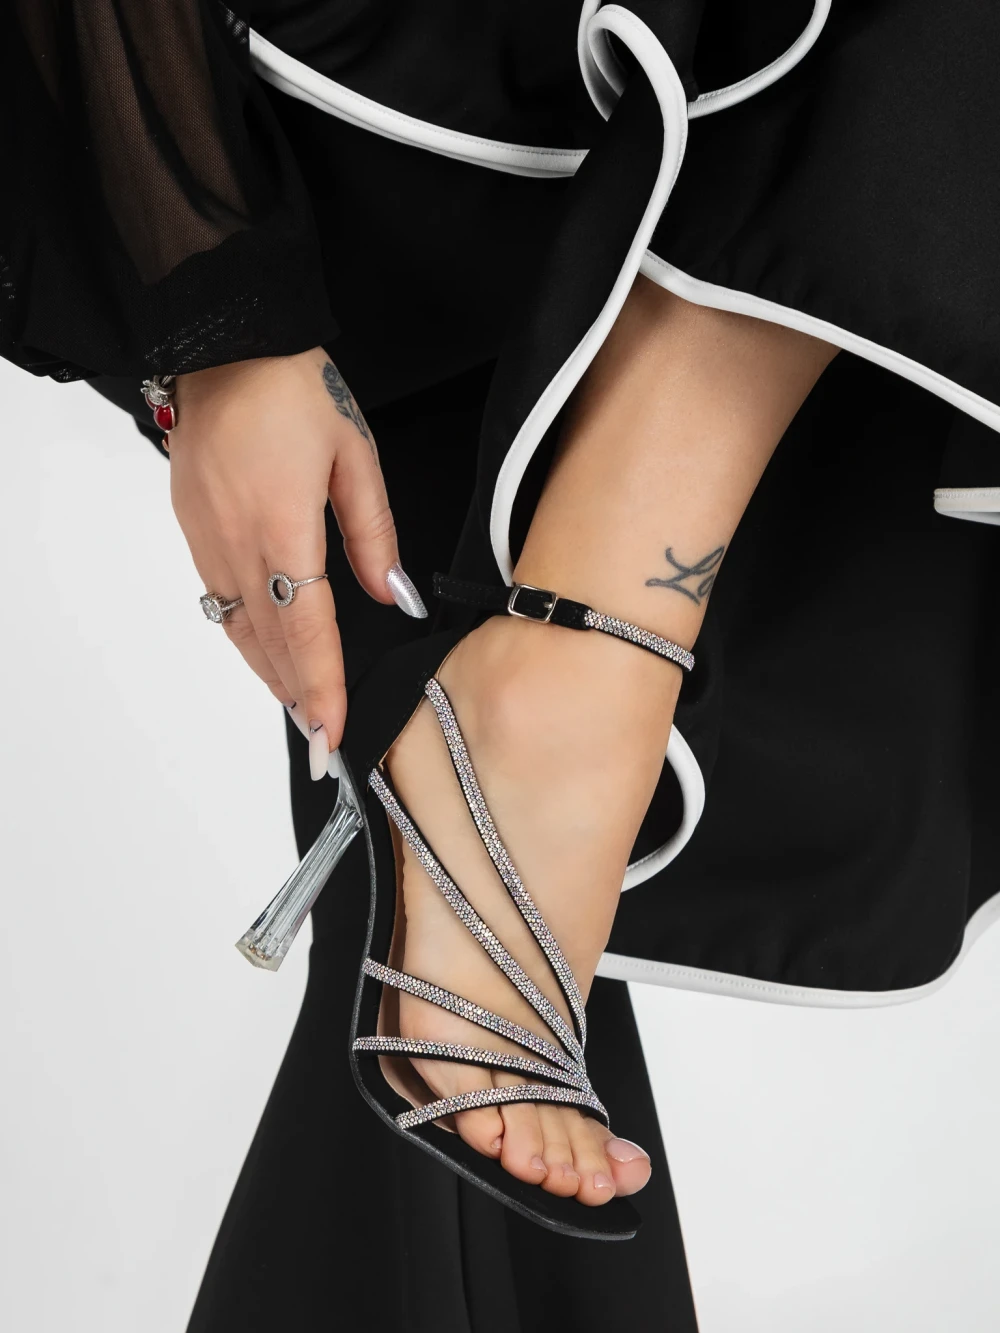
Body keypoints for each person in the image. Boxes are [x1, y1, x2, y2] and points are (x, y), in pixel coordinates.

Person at [5, 1, 999, 1327]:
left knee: (434, 1028)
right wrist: (213, 313)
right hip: (404, 117)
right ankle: (575, 685)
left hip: (760, 148)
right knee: (448, 1017)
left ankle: (565, 694)